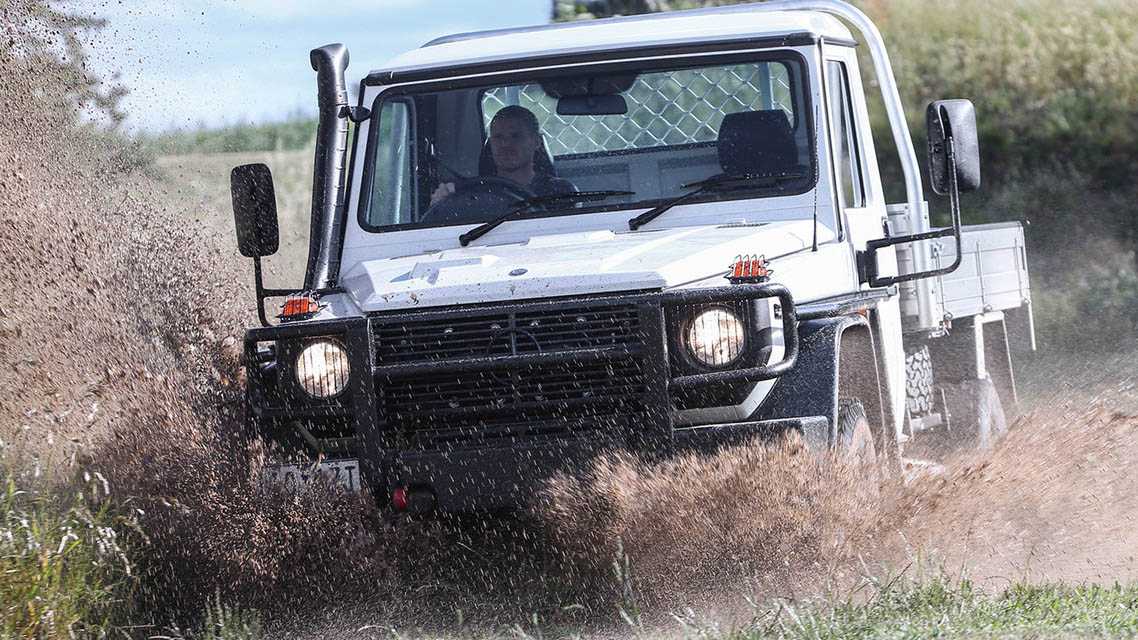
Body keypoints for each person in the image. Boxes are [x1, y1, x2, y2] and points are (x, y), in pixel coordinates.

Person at [430, 105, 575, 204]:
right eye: (498, 137)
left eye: (516, 136)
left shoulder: (559, 192)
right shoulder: (471, 194)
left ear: (536, 142)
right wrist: (441, 202)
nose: (505, 144)